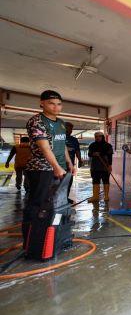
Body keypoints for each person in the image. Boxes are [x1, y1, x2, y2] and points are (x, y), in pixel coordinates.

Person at [24, 90, 75, 246]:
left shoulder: (60, 123)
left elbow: (62, 144)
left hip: (59, 168)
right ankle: (32, 242)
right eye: (51, 103)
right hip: (42, 169)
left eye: (58, 104)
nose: (55, 107)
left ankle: (54, 238)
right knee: (38, 205)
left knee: (58, 204)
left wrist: (69, 162)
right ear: (42, 103)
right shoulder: (37, 121)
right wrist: (56, 167)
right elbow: (45, 147)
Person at [87, 132, 113, 203]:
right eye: (96, 136)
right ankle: (95, 197)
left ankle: (106, 196)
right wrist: (93, 153)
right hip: (95, 167)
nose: (97, 138)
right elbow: (89, 154)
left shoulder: (108, 146)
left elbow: (110, 156)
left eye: (99, 136)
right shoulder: (92, 145)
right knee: (95, 181)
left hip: (105, 167)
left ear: (102, 137)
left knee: (106, 181)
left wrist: (110, 166)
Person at [65, 122, 82, 203]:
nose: (70, 131)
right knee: (58, 182)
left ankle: (66, 198)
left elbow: (77, 151)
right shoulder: (58, 138)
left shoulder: (74, 140)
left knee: (69, 181)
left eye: (71, 129)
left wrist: (80, 160)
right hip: (59, 164)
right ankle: (57, 198)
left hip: (70, 165)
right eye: (69, 128)